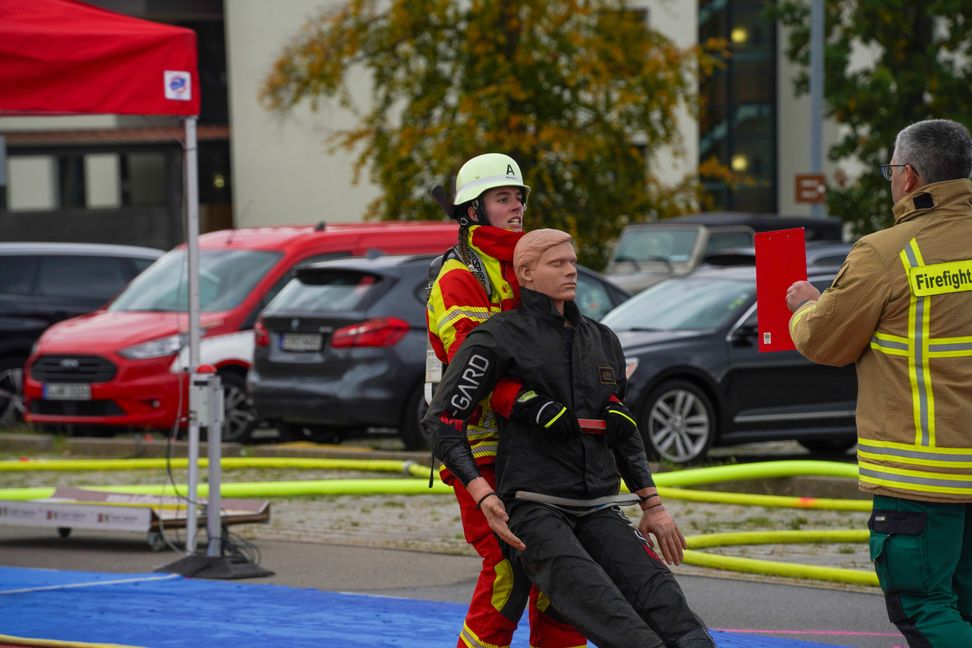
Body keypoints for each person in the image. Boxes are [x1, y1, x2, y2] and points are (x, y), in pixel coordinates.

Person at [423, 229, 715, 648]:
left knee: (673, 611)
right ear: (525, 272)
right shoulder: (497, 339)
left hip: (597, 507)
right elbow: (442, 421)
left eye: (572, 261)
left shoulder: (603, 341)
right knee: (619, 623)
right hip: (534, 509)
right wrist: (484, 494)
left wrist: (653, 506)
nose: (571, 270)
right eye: (557, 263)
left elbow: (625, 434)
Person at [786, 119, 972, 647]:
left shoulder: (887, 253)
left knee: (925, 609)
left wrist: (806, 307)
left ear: (909, 176)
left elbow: (825, 342)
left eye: (891, 169)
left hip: (921, 477)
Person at [425, 155, 586, 648]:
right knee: (508, 566)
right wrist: (532, 403)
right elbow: (474, 373)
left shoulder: (530, 264)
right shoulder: (457, 278)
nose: (516, 207)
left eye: (518, 198)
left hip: (538, 446)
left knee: (561, 569)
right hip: (478, 448)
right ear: (472, 211)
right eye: (502, 199)